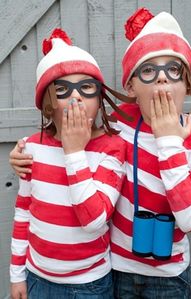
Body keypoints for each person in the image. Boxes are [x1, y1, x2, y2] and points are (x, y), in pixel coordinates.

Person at [10, 9, 191, 299]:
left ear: (188, 83)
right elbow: (71, 141)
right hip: (117, 269)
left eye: (173, 70)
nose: (162, 80)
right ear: (131, 86)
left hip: (169, 277)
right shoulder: (118, 124)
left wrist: (168, 142)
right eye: (148, 70)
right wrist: (24, 156)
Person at [9, 28, 134, 299]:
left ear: (100, 97)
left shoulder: (112, 148)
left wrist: (74, 151)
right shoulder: (32, 147)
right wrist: (17, 274)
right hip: (37, 277)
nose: (76, 98)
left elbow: (94, 220)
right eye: (63, 90)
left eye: (86, 88)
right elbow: (24, 213)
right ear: (47, 104)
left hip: (89, 284)